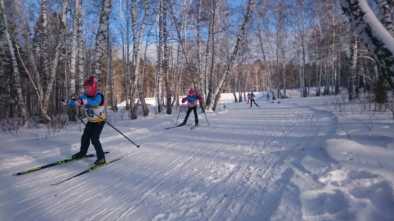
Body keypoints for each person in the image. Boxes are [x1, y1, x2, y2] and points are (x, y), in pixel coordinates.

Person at [72, 76, 107, 165]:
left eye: (88, 88)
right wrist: (68, 102)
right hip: (91, 121)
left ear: (94, 87)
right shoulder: (85, 96)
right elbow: (77, 102)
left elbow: (95, 102)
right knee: (85, 137)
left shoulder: (99, 96)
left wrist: (84, 101)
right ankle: (82, 153)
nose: (86, 90)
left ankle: (101, 158)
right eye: (85, 88)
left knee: (94, 139)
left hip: (99, 121)